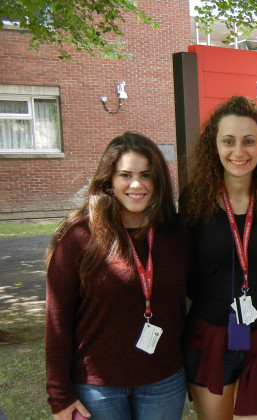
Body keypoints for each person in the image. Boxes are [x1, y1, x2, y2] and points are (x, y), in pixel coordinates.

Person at [44, 132, 187, 420]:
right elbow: (57, 320)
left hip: (163, 381)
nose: (137, 184)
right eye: (125, 175)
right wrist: (59, 395)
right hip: (98, 388)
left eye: (146, 175)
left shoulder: (176, 234)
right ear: (109, 179)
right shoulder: (79, 236)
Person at [181, 96, 257, 420]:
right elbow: (187, 271)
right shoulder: (195, 199)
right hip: (210, 337)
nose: (239, 151)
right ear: (214, 146)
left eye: (249, 141)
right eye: (228, 141)